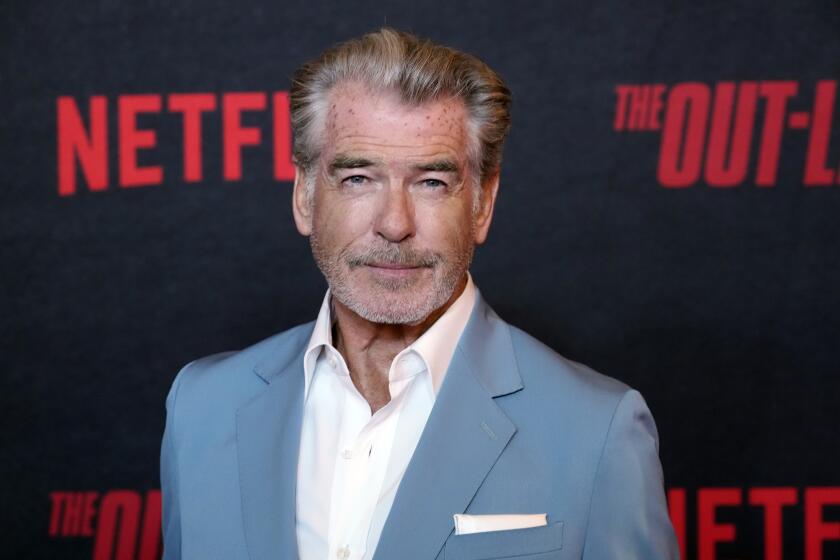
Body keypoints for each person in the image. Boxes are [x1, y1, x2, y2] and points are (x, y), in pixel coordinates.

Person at [160, 28, 679, 560]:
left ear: (482, 205)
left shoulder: (598, 431)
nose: (394, 224)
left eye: (432, 182)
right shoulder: (203, 409)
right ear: (304, 195)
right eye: (359, 178)